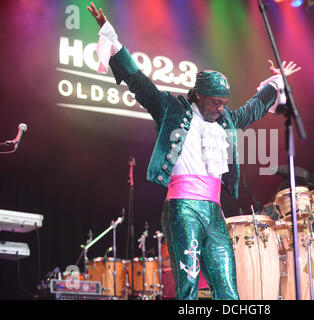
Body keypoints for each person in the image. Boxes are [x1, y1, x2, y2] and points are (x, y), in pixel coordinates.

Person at [87, 2, 301, 300]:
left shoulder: (226, 119)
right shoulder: (171, 110)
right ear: (198, 95)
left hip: (213, 210)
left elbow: (254, 108)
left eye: (224, 101)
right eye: (215, 101)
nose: (221, 107)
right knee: (187, 289)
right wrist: (110, 36)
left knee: (227, 289)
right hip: (181, 207)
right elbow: (140, 83)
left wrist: (277, 80)